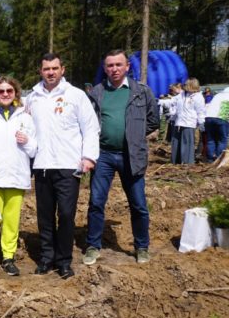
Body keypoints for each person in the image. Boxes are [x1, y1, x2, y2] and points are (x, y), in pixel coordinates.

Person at [25, 53, 99, 279]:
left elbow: (90, 128)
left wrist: (88, 157)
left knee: (66, 214)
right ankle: (47, 258)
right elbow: (25, 127)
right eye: (46, 68)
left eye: (54, 68)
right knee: (45, 216)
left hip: (68, 165)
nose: (50, 72)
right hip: (42, 164)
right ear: (41, 71)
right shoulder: (32, 98)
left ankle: (64, 260)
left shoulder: (76, 96)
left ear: (62, 70)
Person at [84, 50, 159, 266]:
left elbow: (153, 121)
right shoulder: (96, 93)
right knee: (96, 202)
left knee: (138, 204)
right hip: (103, 156)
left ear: (127, 66)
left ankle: (142, 247)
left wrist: (134, 136)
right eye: (110, 66)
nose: (114, 69)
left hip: (131, 155)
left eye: (118, 65)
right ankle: (93, 246)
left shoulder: (141, 92)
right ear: (105, 68)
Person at [0, 78, 36, 276]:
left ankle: (8, 256)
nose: (5, 94)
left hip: (16, 175)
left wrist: (27, 141)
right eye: (0, 91)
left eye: (9, 90)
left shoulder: (25, 117)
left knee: (12, 220)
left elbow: (34, 149)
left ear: (15, 93)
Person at [169, 78, 206, 164]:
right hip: (178, 121)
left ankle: (187, 162)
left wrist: (201, 122)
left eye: (186, 84)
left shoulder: (198, 97)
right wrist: (161, 102)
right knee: (176, 142)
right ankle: (176, 161)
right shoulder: (182, 94)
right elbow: (172, 101)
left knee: (187, 143)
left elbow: (200, 111)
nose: (184, 86)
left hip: (189, 123)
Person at [204, 87, 229, 162]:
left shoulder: (217, 95)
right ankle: (219, 158)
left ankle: (210, 159)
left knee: (210, 139)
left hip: (208, 117)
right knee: (222, 140)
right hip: (221, 118)